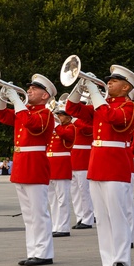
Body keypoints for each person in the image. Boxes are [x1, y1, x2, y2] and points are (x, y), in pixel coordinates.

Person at [65, 66, 134, 266]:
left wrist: (95, 94)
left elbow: (113, 118)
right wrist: (80, 88)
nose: (109, 83)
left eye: (114, 81)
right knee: (103, 218)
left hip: (116, 166)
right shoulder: (102, 106)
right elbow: (72, 108)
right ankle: (109, 261)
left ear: (125, 87)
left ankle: (122, 262)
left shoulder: (128, 106)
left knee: (117, 216)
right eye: (108, 81)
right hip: (97, 165)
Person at [0, 73, 56, 266]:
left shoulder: (45, 113)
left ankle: (44, 253)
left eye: (34, 88)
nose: (29, 90)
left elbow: (32, 124)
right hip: (22, 163)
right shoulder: (25, 111)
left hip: (35, 163)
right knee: (28, 215)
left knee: (38, 213)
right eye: (29, 87)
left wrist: (15, 101)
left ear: (45, 95)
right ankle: (33, 251)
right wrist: (2, 97)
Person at [48, 102, 76, 238]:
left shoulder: (71, 128)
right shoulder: (56, 129)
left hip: (61, 165)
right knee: (52, 199)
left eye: (61, 115)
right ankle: (55, 225)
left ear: (69, 117)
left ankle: (63, 227)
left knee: (62, 199)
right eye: (58, 115)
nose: (59, 117)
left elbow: (67, 136)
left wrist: (56, 124)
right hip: (50, 165)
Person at [70, 103, 94, 229]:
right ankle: (80, 216)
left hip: (84, 159)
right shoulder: (73, 122)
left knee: (85, 191)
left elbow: (90, 130)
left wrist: (75, 121)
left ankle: (88, 218)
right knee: (75, 192)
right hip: (73, 159)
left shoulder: (89, 120)